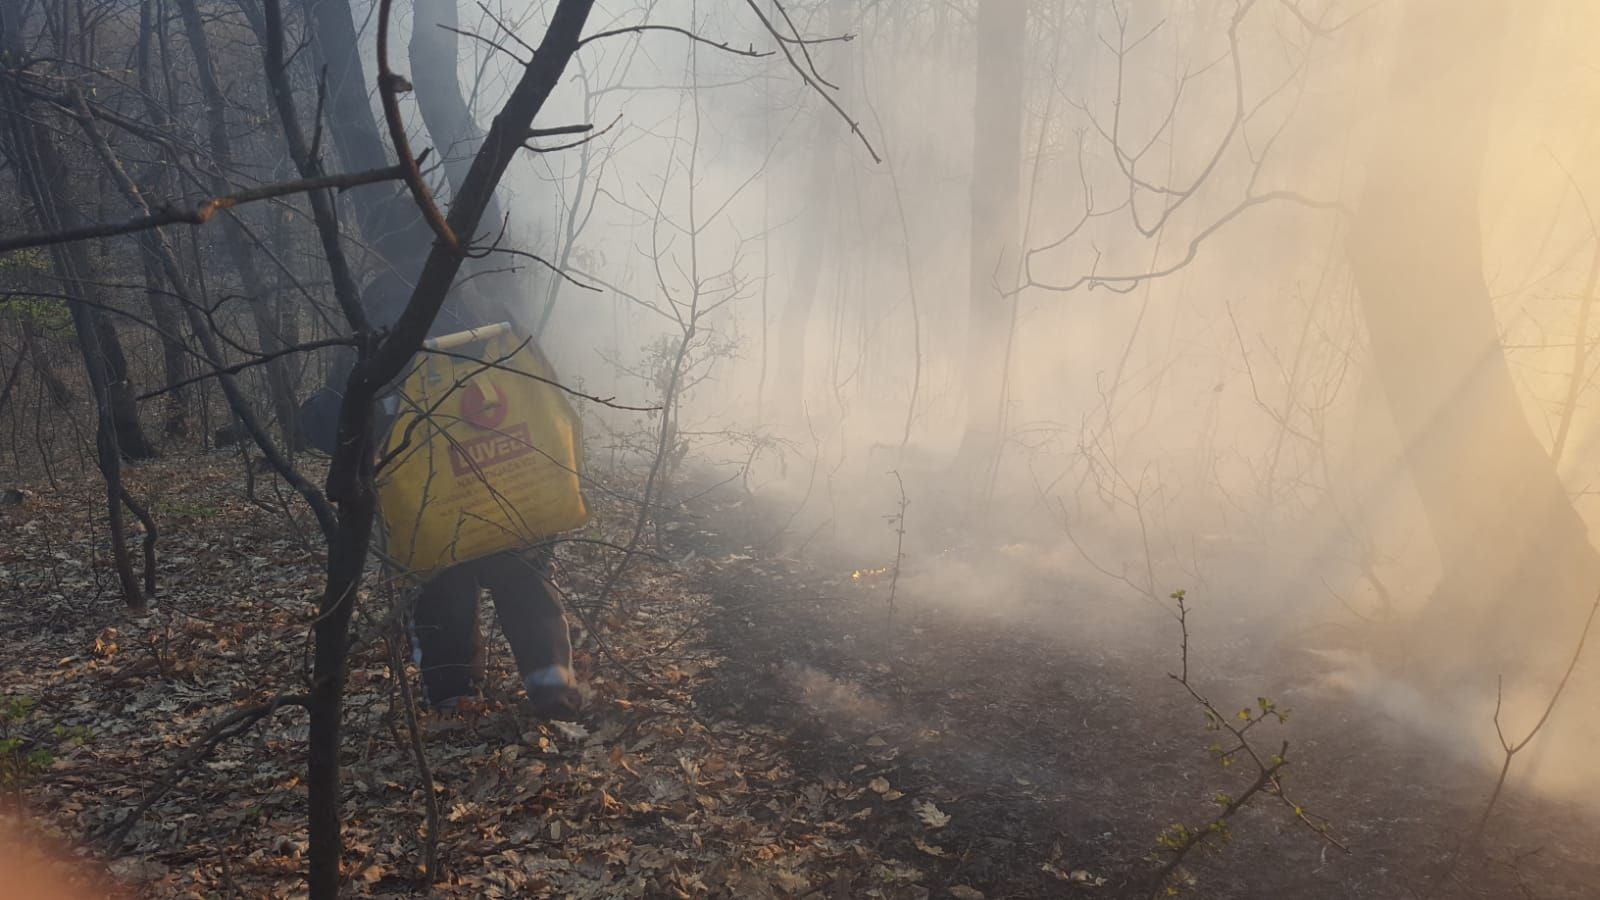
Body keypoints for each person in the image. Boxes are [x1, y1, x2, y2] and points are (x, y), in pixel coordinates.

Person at [298, 381, 583, 721]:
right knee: (525, 583)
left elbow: (340, 415)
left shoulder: (380, 337)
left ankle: (454, 704)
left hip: (431, 505)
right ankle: (553, 692)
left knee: (440, 597)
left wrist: (308, 420)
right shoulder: (495, 332)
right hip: (514, 488)